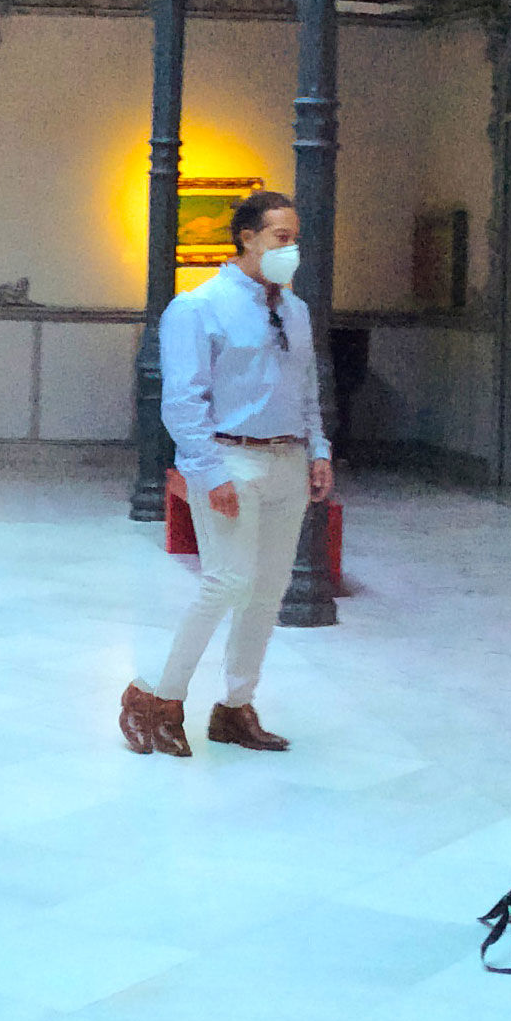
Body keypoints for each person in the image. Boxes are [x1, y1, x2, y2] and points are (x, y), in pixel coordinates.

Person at [122, 189, 327, 757]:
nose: (292, 249)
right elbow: (182, 401)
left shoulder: (296, 311)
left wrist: (319, 449)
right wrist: (208, 473)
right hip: (229, 456)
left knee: (268, 589)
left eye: (295, 239)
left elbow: (307, 388)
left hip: (287, 458)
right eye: (281, 238)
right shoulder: (198, 307)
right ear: (247, 238)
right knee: (227, 581)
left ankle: (236, 707)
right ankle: (155, 696)